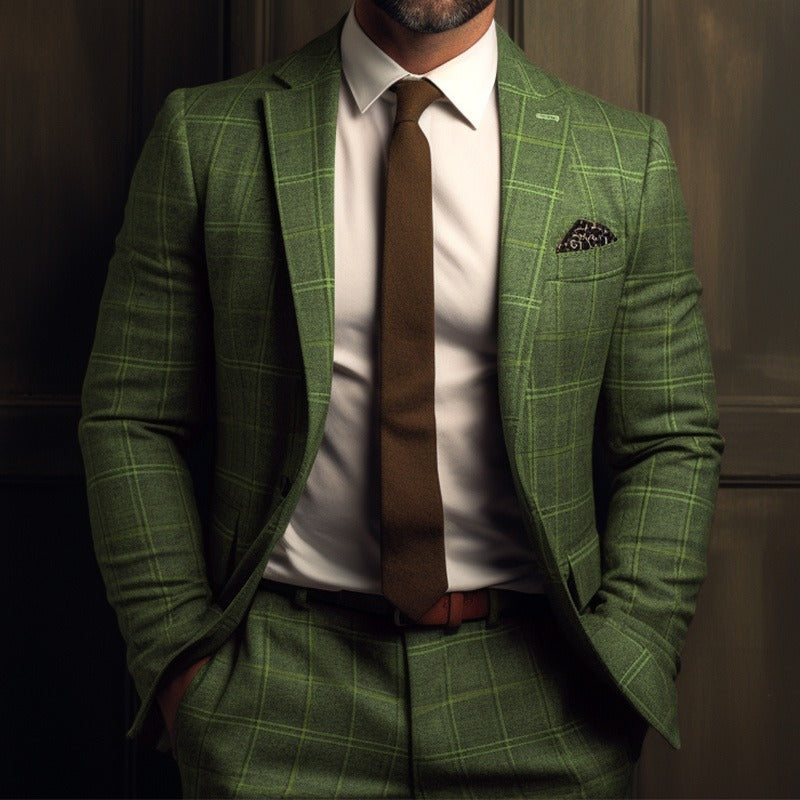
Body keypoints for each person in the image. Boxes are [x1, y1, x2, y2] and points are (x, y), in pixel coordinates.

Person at [79, 0, 723, 796]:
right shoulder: (206, 136)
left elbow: (671, 437)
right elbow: (131, 415)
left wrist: (631, 650)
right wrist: (181, 664)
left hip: (546, 699)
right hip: (275, 698)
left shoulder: (622, 157)